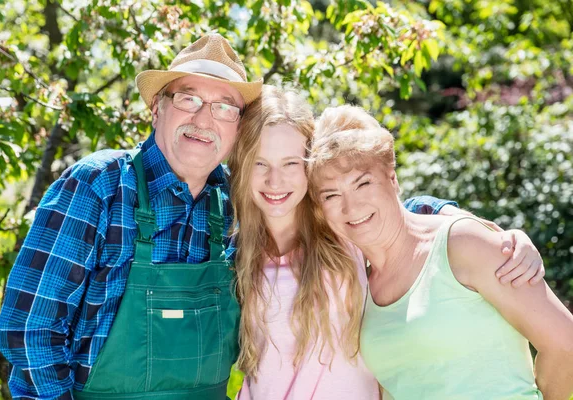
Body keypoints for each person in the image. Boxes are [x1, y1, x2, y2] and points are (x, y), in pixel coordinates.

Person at [229, 86, 547, 399]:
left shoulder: (342, 235)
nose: (275, 180)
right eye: (260, 162)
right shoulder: (236, 258)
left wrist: (497, 234)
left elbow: (405, 216)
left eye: (291, 163)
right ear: (243, 164)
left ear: (312, 168)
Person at [0, 34, 262, 400]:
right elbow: (29, 328)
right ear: (157, 107)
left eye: (224, 107)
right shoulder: (99, 185)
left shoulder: (240, 203)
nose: (203, 119)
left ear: (238, 126)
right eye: (189, 98)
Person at [308, 104, 573, 400]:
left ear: (392, 180)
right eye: (332, 195)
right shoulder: (358, 288)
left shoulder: (462, 242)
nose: (351, 206)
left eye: (363, 183)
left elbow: (565, 346)